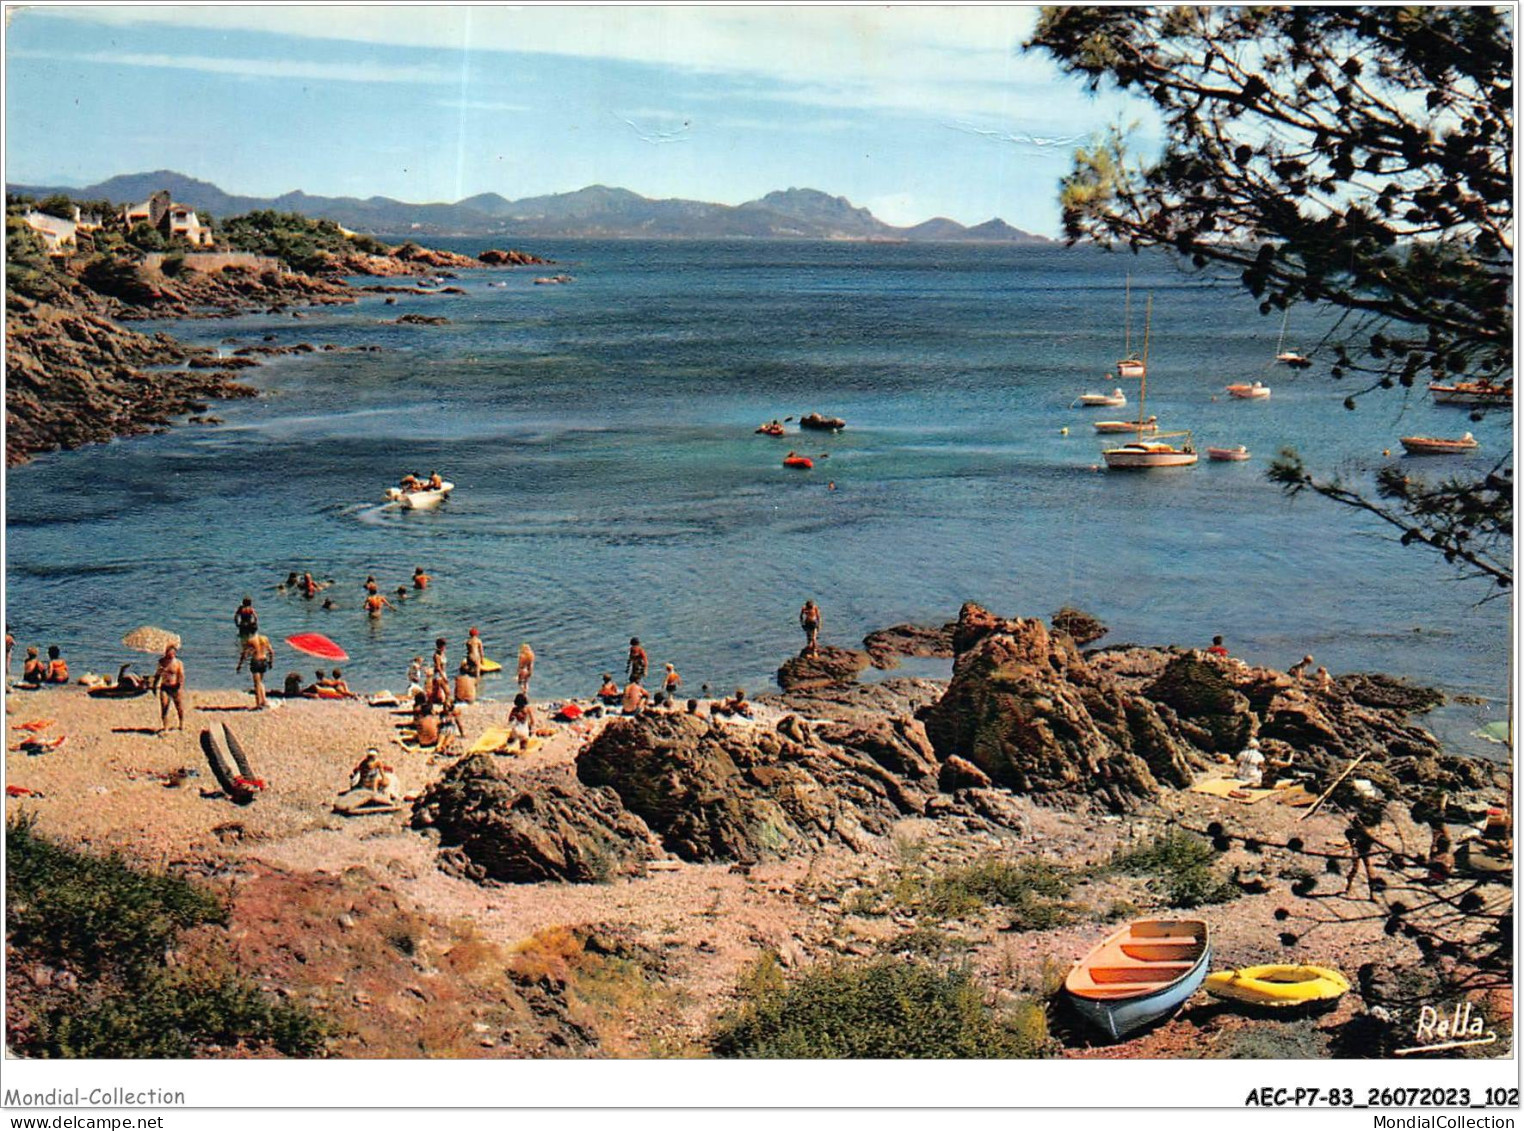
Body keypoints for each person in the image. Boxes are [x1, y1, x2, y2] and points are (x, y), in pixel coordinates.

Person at [153, 644, 187, 732]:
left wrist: (180, 686)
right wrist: (154, 685)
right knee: (164, 706)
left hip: (175, 686)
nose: (171, 654)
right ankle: (165, 727)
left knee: (179, 706)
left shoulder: (178, 663)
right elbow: (157, 675)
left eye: (173, 652)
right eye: (169, 652)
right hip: (164, 686)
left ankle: (181, 723)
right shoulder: (161, 662)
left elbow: (181, 675)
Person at [238, 631, 275, 709]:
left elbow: (244, 654)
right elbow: (271, 652)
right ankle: (264, 700)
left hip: (256, 661)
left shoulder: (251, 641)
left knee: (257, 683)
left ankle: (258, 704)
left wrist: (240, 665)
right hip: (264, 660)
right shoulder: (264, 639)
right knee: (261, 682)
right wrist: (271, 662)